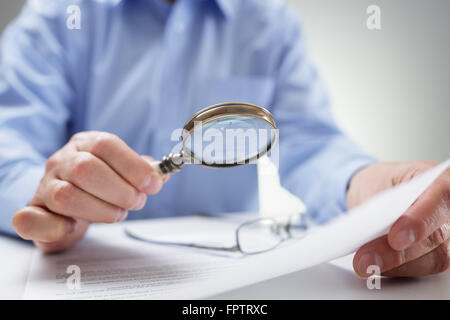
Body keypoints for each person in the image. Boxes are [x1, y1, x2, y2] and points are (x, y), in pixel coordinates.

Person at [0, 0, 447, 278]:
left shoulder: (268, 21)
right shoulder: (58, 15)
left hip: (227, 280)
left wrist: (370, 187)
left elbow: (311, 144)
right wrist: (51, 198)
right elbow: (8, 146)